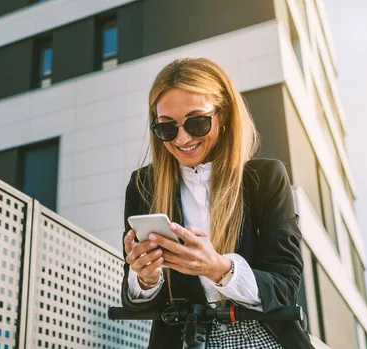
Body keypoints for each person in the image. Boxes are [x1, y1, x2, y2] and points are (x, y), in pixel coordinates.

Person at [120, 57, 313, 348]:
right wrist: (145, 278)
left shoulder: (265, 179)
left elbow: (284, 288)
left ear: (222, 116)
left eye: (197, 122)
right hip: (184, 339)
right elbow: (136, 302)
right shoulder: (142, 186)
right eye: (167, 128)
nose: (182, 139)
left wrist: (219, 268)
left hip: (262, 336)